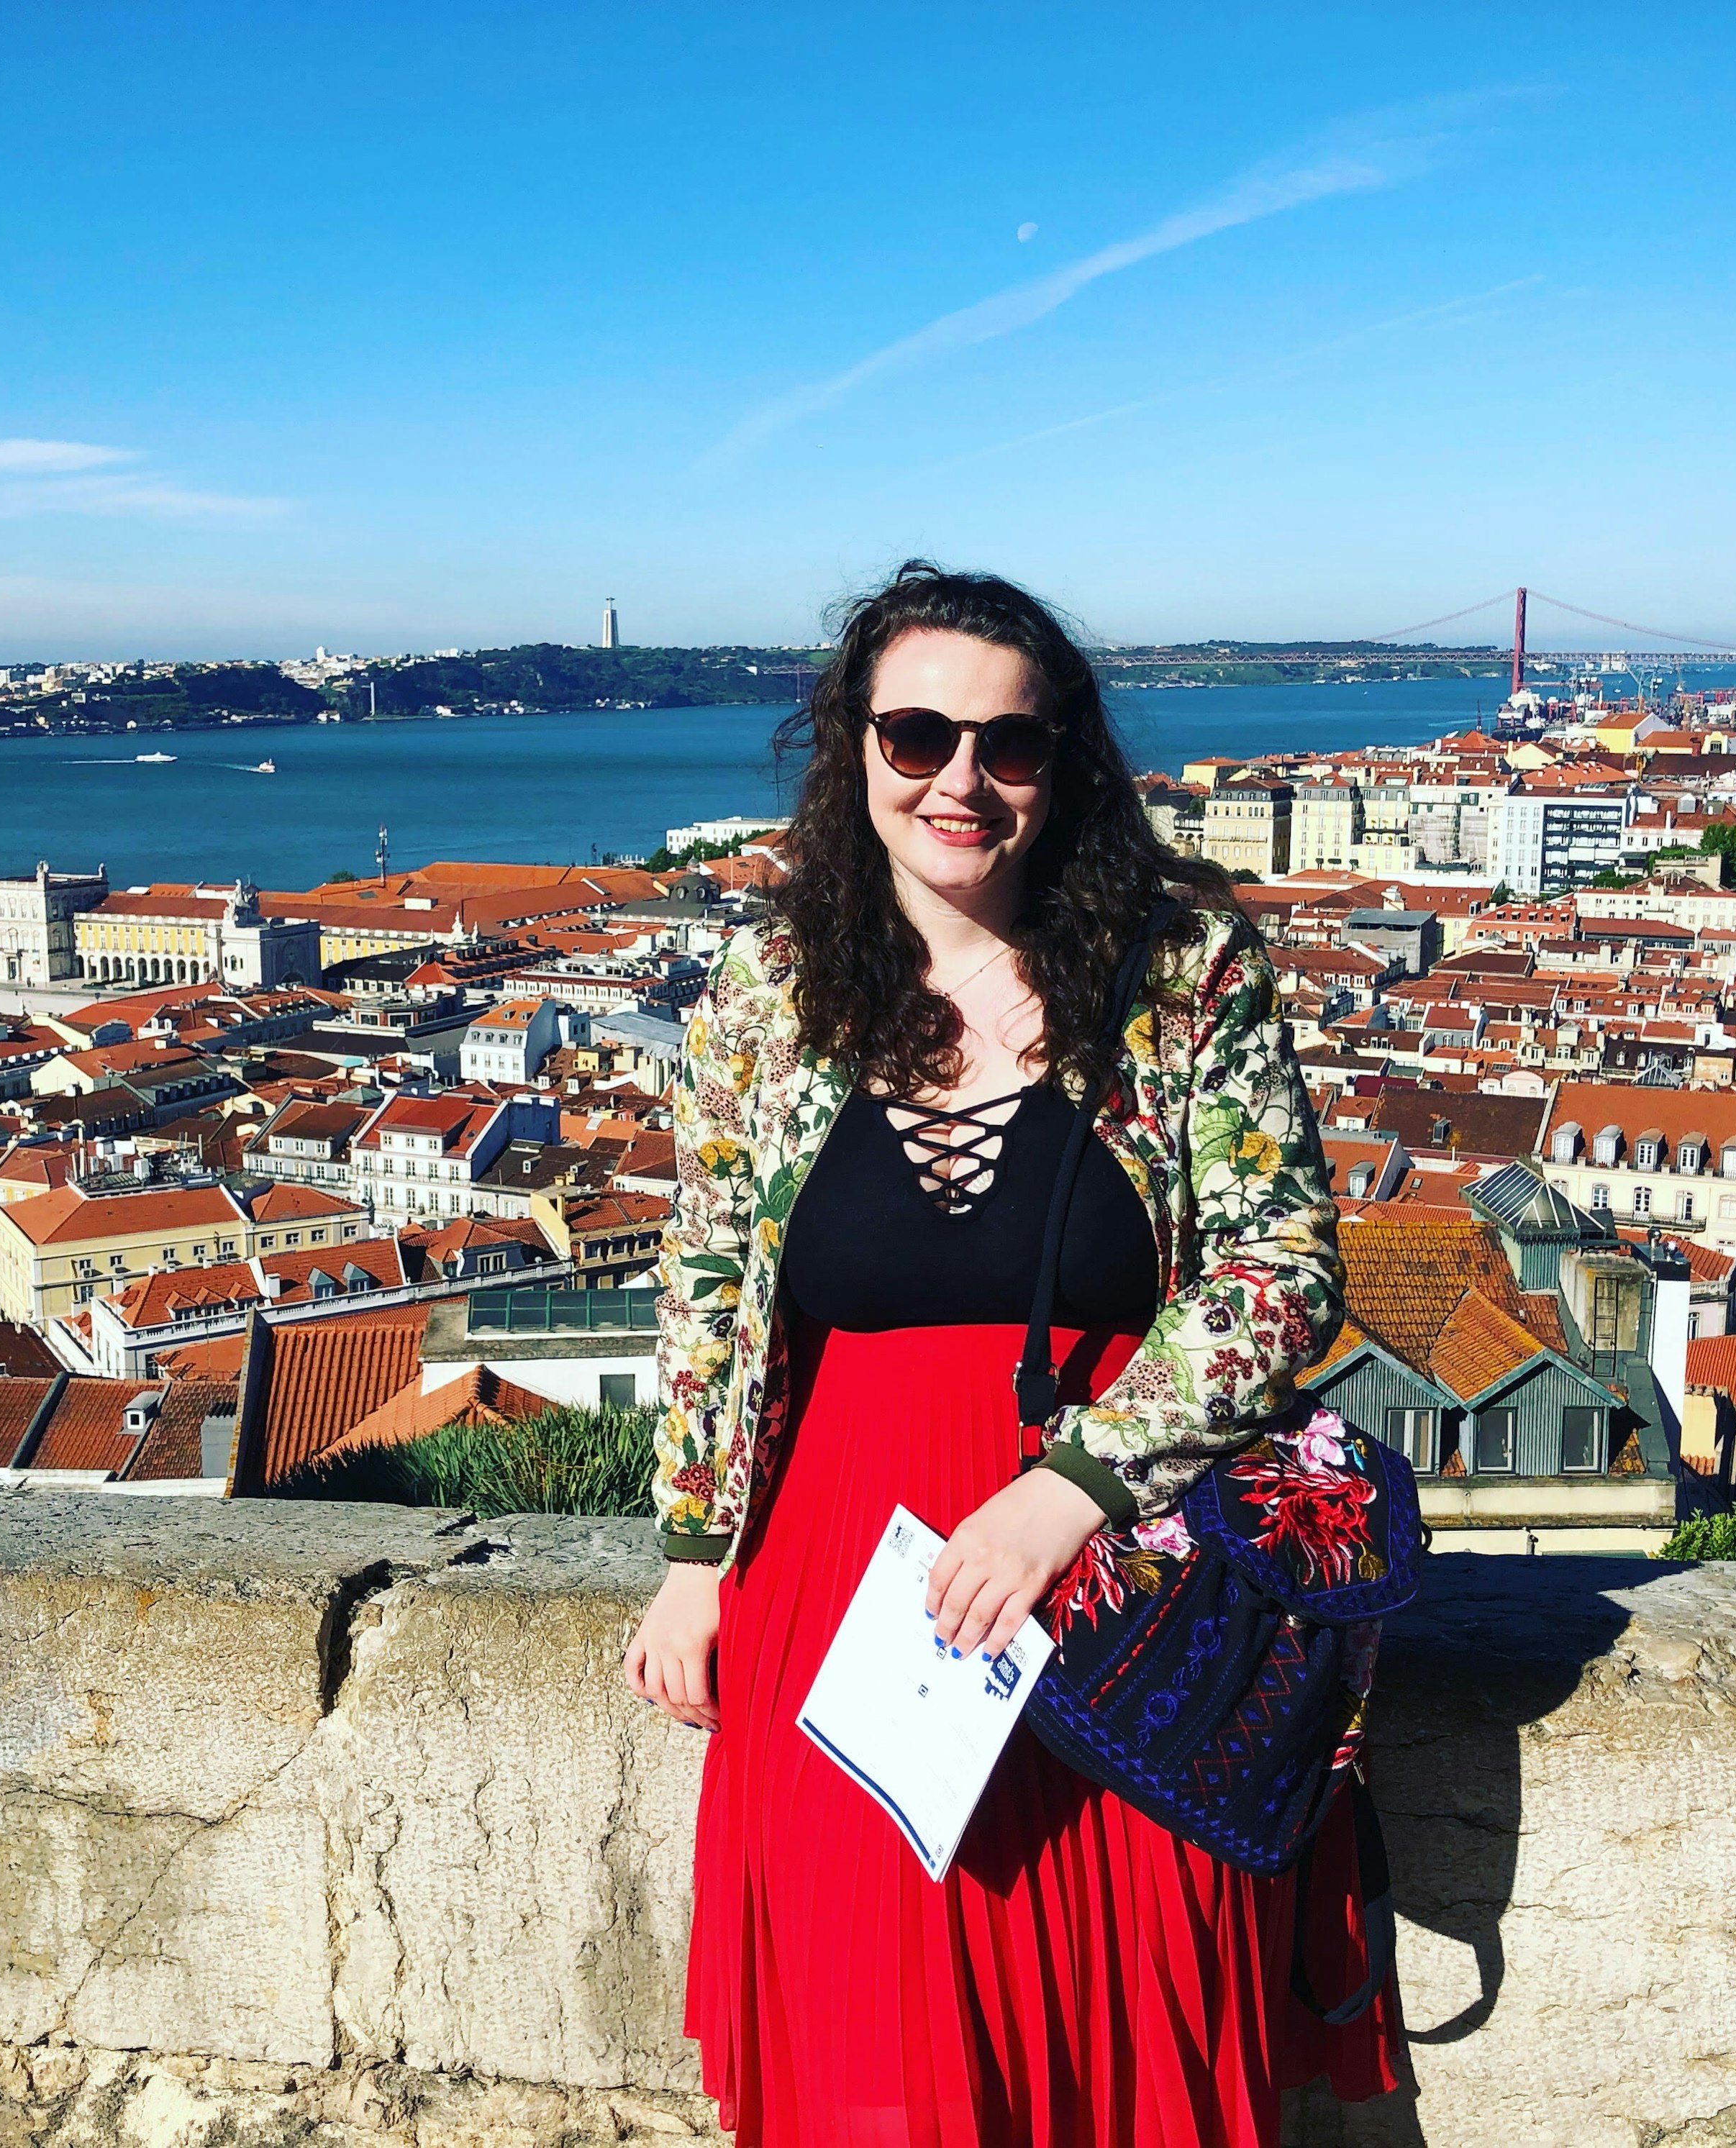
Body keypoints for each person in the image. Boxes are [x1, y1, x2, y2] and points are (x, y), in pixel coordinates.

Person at [624, 563, 1404, 2146]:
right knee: (873, 2043)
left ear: (1067, 764)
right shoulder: (764, 993)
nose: (960, 779)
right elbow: (712, 1279)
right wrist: (697, 1554)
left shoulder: (1179, 975)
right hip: (838, 1579)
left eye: (1009, 744)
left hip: (1119, 1579)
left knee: (1121, 2024)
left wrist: (1074, 1488)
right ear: (855, 749)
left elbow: (1284, 1266)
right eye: (916, 734)